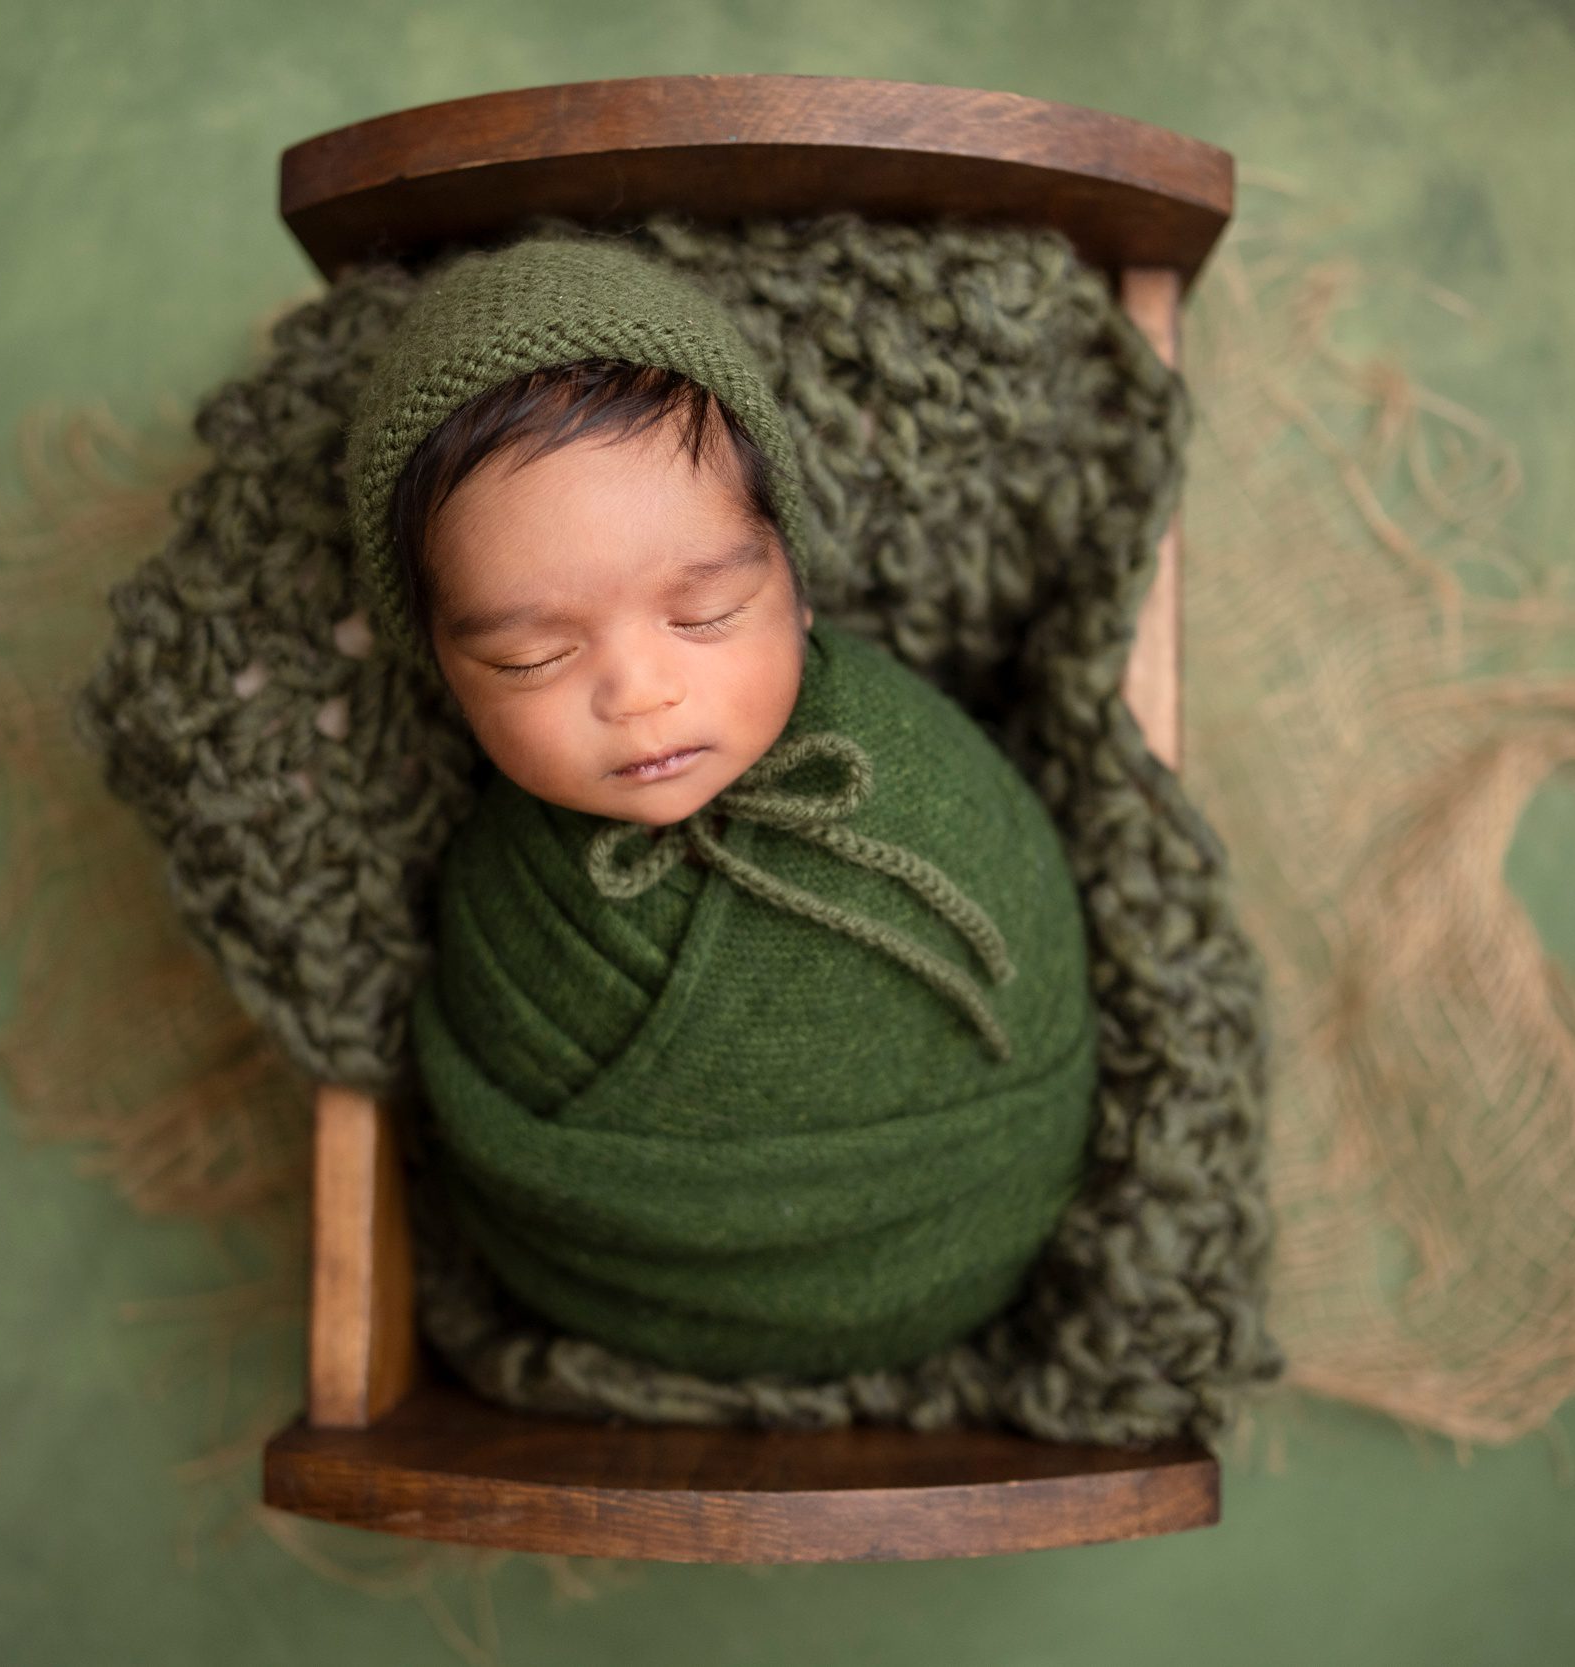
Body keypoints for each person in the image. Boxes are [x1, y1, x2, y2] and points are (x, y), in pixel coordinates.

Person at [341, 234, 1102, 1380]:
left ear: (795, 588)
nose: (640, 693)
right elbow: (492, 1137)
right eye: (532, 656)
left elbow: (1040, 969)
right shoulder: (499, 897)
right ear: (440, 671)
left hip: (977, 1231)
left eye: (704, 614)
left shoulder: (917, 771)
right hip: (625, 1304)